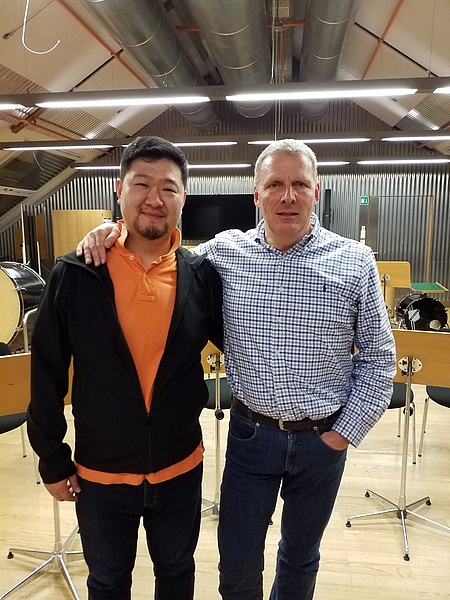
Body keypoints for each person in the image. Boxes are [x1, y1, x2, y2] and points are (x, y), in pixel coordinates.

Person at [77, 138, 396, 600]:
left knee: (300, 556)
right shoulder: (224, 252)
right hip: (251, 439)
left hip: (322, 439)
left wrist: (344, 433)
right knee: (237, 564)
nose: (288, 196)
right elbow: (159, 249)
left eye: (299, 184)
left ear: (316, 192)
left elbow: (379, 357)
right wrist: (109, 230)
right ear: (257, 195)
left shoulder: (355, 261)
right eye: (275, 185)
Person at [27, 136, 223, 600]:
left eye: (168, 188)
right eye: (142, 184)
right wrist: (51, 458)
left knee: (177, 573)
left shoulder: (202, 275)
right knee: (108, 582)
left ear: (183, 198)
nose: (155, 198)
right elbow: (47, 372)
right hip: (100, 475)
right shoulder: (77, 273)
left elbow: (244, 344)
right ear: (119, 190)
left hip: (180, 468)